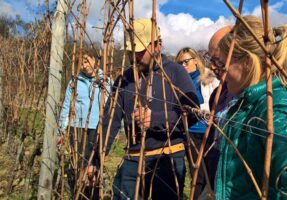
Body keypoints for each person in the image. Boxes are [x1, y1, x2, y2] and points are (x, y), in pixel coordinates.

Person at [214, 15, 287, 199]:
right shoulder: (248, 106)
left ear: (247, 61)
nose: (220, 75)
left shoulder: (278, 110)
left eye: (223, 65)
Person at [92, 18, 198, 200]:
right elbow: (111, 120)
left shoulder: (175, 72)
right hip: (132, 160)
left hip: (167, 159)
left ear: (158, 45)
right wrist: (95, 159)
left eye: (140, 51)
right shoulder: (124, 79)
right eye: (131, 52)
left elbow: (192, 113)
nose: (135, 57)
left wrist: (156, 119)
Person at [59, 53, 111, 199]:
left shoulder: (106, 81)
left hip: (97, 128)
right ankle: (79, 194)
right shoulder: (74, 82)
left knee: (94, 167)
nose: (85, 65)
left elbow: (112, 107)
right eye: (81, 63)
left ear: (95, 61)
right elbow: (66, 105)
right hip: (78, 129)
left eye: (87, 61)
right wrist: (62, 128)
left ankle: (94, 194)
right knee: (80, 166)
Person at [175, 47, 219, 199]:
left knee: (212, 171)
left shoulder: (208, 77)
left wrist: (197, 109)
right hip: (190, 132)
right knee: (197, 174)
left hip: (208, 131)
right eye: (180, 63)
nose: (183, 66)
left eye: (186, 61)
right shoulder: (179, 83)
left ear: (195, 60)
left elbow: (216, 104)